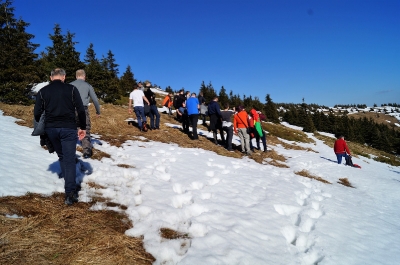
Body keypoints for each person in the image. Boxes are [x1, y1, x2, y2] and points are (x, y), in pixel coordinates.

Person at [34, 68, 86, 206]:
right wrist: (82, 127)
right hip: (68, 127)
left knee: (62, 156)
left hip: (51, 129)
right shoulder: (72, 89)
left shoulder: (43, 91)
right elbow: (81, 110)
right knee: (69, 159)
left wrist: (45, 124)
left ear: (51, 78)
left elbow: (37, 112)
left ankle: (68, 183)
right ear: (64, 77)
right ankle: (70, 192)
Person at [70, 69, 101, 159]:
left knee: (71, 128)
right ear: (84, 76)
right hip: (83, 109)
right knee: (85, 128)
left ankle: (69, 149)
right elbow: (95, 99)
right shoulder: (88, 85)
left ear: (76, 76)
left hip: (71, 109)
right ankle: (87, 151)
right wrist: (98, 111)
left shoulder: (70, 85)